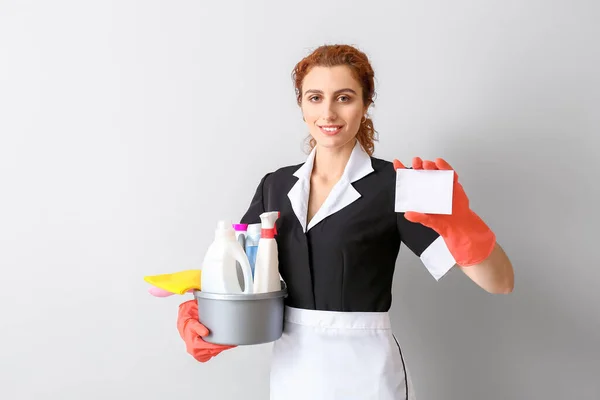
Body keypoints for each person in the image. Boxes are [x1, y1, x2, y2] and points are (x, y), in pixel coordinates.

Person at [176, 44, 514, 399]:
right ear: (301, 104)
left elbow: (500, 282)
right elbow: (242, 280)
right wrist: (205, 315)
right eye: (315, 97)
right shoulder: (275, 185)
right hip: (294, 374)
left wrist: (463, 226)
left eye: (344, 98)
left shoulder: (397, 185)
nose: (328, 112)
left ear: (366, 104)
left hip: (368, 376)